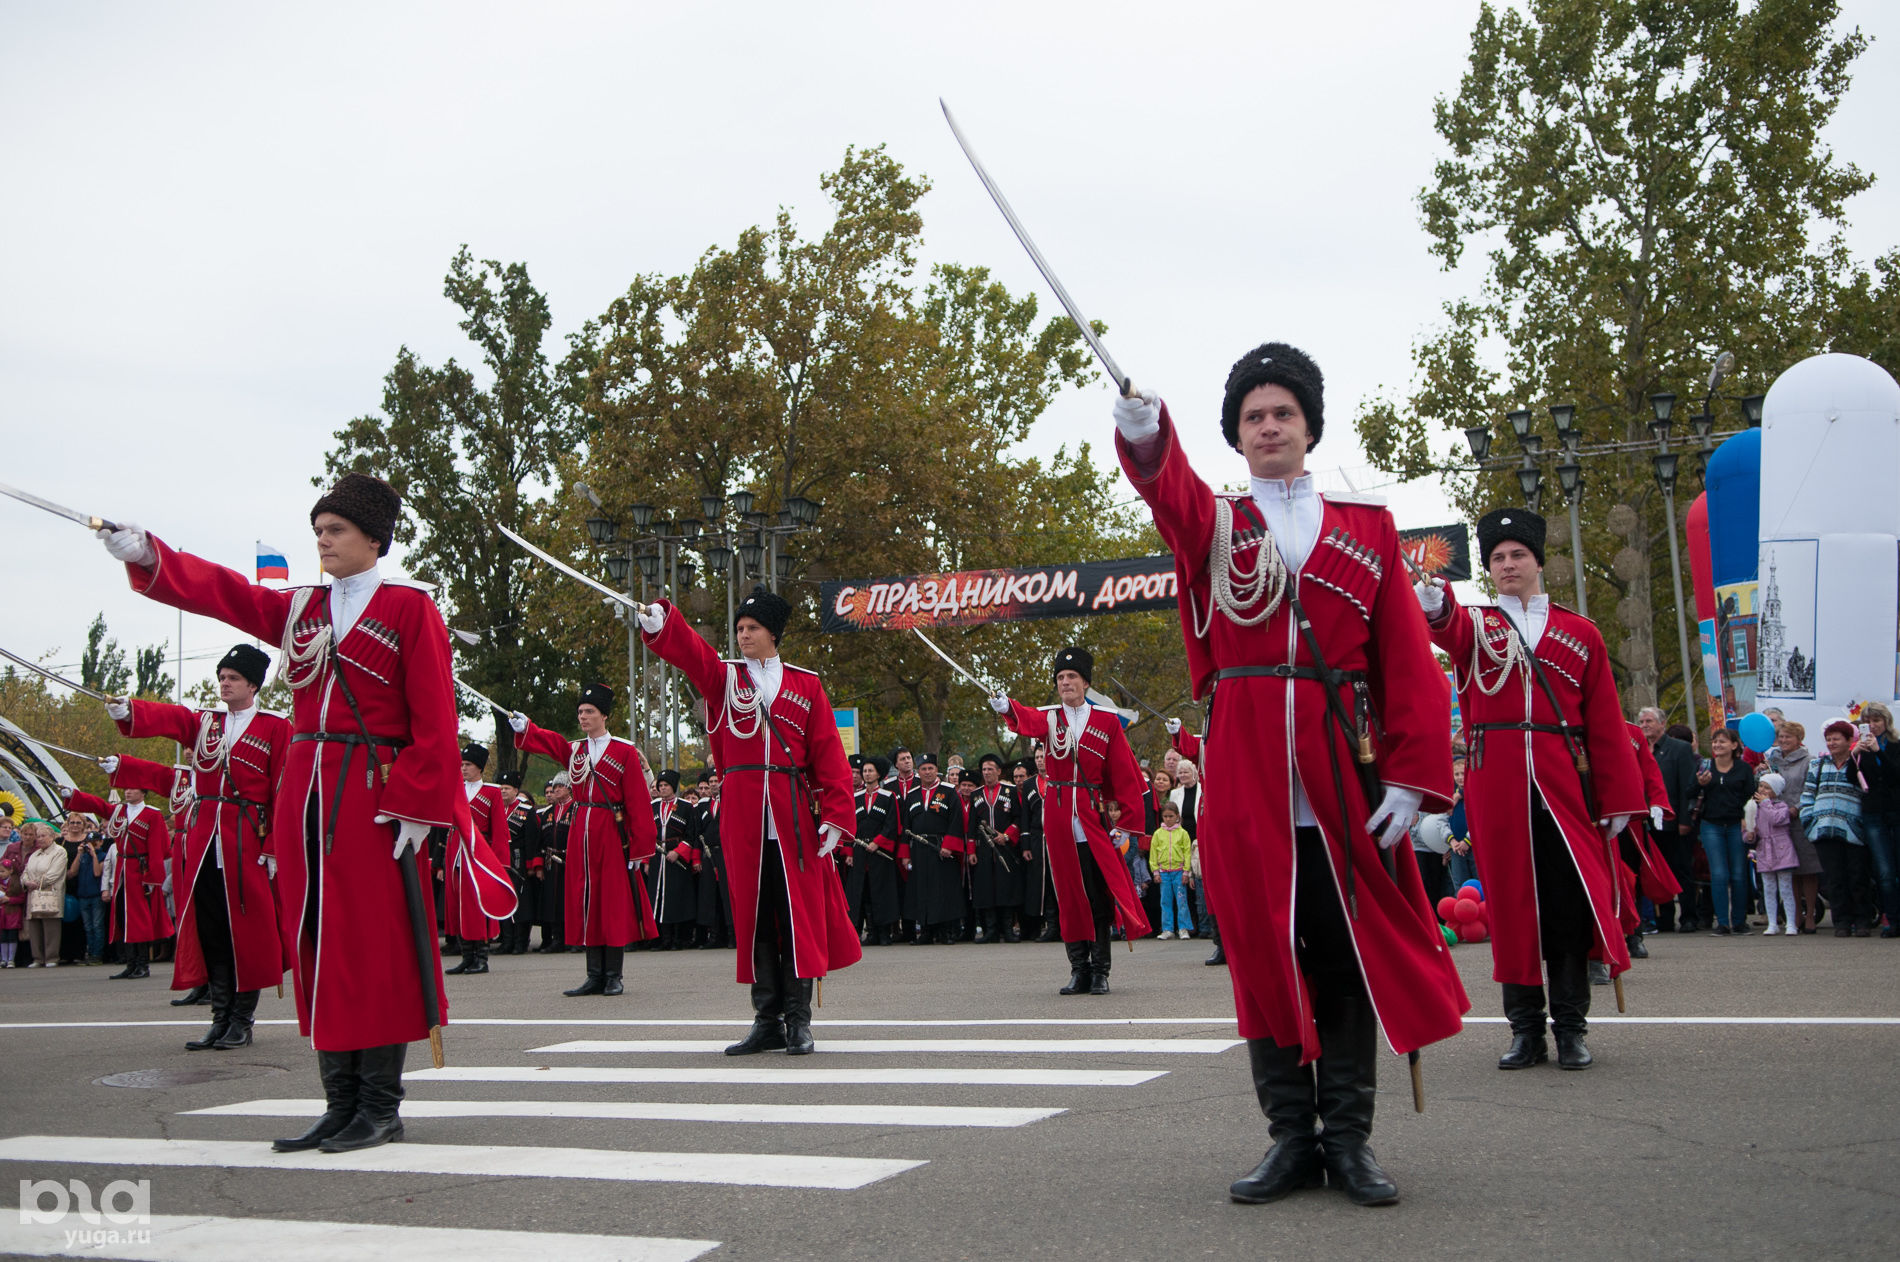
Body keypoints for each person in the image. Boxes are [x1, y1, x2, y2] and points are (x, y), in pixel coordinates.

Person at [1117, 344, 1463, 1206]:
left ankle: (1349, 1140)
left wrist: (1413, 779)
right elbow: (1172, 494)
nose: (1268, 427)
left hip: (1343, 776)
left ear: (1309, 425)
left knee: (1347, 959)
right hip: (1245, 777)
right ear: (1235, 437)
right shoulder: (1217, 521)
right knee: (1266, 957)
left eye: (1283, 414)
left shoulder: (1368, 525)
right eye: (1251, 418)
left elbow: (1402, 661)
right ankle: (1288, 1139)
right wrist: (1146, 436)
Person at [100, 472, 458, 1153]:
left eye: (336, 530)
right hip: (304, 795)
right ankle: (339, 1102)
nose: (322, 541)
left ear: (374, 538)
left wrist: (415, 804)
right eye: (318, 531)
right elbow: (228, 594)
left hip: (371, 796)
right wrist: (153, 556)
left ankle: (381, 1106)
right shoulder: (302, 609)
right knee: (318, 945)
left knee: (372, 950)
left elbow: (434, 716)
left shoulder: (411, 608)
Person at [1419, 506, 1640, 1073]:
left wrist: (1617, 801)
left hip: (1562, 786)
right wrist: (1434, 598)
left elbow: (1608, 727)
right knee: (1513, 911)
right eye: (1497, 558)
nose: (1508, 564)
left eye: (1518, 554)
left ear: (1538, 561)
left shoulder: (1580, 632)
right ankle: (1524, 1030)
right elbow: (1446, 626)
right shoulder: (1479, 624)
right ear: (1488, 569)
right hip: (1497, 786)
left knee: (1566, 908)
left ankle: (1570, 1028)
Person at [638, 585, 861, 1056]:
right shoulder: (725, 678)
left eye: (752, 628)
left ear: (773, 633)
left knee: (796, 919)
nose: (743, 636)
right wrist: (663, 624)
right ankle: (767, 1019)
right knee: (753, 919)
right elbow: (693, 656)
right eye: (739, 628)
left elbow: (828, 755)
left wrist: (838, 817)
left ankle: (799, 1020)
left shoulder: (806, 684)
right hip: (742, 816)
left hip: (793, 816)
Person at [109, 644, 289, 1027]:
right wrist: (132, 711)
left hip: (247, 840)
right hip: (206, 838)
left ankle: (242, 1020)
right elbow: (174, 720)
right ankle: (219, 1017)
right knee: (210, 928)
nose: (224, 684)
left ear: (253, 685)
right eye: (222, 677)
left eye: (233, 678)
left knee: (248, 932)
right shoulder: (207, 722)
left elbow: (283, 791)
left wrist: (273, 847)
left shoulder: (276, 727)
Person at [991, 646, 1151, 998]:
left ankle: (1100, 971)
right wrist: (1007, 707)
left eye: (1072, 677)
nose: (1065, 683)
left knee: (1097, 896)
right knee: (1068, 896)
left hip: (1092, 817)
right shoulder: (1050, 719)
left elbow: (1124, 775)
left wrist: (1123, 823)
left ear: (1085, 682)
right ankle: (1078, 969)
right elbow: (1027, 719)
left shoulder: (1107, 721)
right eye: (1061, 678)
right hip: (1061, 818)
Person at [510, 685, 660, 994]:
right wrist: (527, 728)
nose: (583, 717)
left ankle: (613, 975)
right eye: (580, 712)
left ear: (604, 715)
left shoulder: (624, 751)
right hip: (581, 832)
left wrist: (640, 846)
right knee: (585, 899)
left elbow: (637, 800)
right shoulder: (576, 750)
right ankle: (594, 974)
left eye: (589, 711)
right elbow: (550, 743)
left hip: (610, 829)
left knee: (611, 901)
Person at [60, 780, 173, 978]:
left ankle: (142, 964)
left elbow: (157, 848)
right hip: (123, 868)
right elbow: (98, 805)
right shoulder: (120, 812)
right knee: (122, 915)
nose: (127, 791)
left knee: (140, 920)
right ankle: (130, 963)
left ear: (143, 792)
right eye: (126, 788)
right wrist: (73, 796)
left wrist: (153, 877)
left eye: (132, 788)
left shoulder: (152, 814)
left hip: (140, 868)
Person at [443, 744, 515, 976]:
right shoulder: (454, 789)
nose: (463, 768)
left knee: (476, 906)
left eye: (468, 765)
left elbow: (501, 832)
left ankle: (481, 957)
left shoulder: (492, 792)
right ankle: (466, 955)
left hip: (479, 854)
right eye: (462, 764)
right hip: (455, 851)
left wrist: (500, 865)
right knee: (457, 905)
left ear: (479, 768)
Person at [1800, 720, 1871, 936]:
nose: (1831, 743)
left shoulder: (1860, 762)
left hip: (1854, 830)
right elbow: (1808, 795)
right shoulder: (1818, 765)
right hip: (1824, 829)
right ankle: (1841, 922)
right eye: (1828, 739)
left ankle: (1862, 921)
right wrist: (1810, 823)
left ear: (1850, 740)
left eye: (1836, 739)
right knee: (1834, 878)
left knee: (1858, 876)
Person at [1620, 719, 1684, 955]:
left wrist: (1657, 802)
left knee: (1632, 879)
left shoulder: (1632, 732)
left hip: (1629, 820)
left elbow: (1650, 771)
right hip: (1595, 817)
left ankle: (1634, 935)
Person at [1637, 706, 1703, 932]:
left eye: (1649, 721)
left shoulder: (1679, 749)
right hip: (1646, 822)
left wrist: (1685, 820)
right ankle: (1664, 918)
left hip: (1673, 820)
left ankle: (1688, 917)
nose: (1645, 725)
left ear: (1662, 723)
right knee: (1656, 871)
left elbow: (1686, 786)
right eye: (1642, 721)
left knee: (1682, 869)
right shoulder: (1637, 749)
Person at [1695, 727, 1757, 935]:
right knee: (1719, 874)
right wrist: (1699, 784)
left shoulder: (1744, 769)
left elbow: (1750, 797)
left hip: (1735, 825)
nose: (1717, 745)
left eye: (1722, 741)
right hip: (1711, 824)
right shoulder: (1705, 766)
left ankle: (1739, 921)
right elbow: (1689, 792)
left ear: (1734, 745)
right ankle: (1722, 922)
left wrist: (1745, 820)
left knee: (1739, 874)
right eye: (1714, 742)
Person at [1764, 721, 1824, 933]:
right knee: (1789, 869)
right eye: (1781, 737)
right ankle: (1794, 913)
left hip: (1801, 818)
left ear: (1799, 739)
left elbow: (1812, 787)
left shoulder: (1809, 761)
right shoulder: (1772, 760)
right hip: (1778, 821)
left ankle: (1810, 916)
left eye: (1788, 737)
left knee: (1807, 868)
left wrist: (1798, 808)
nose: (1783, 741)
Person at [900, 754, 966, 945]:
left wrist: (949, 846)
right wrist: (905, 854)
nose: (927, 772)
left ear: (936, 770)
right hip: (919, 851)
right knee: (921, 890)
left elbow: (957, 821)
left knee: (943, 890)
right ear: (918, 771)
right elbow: (905, 827)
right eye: (924, 769)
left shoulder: (949, 792)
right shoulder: (912, 795)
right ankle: (926, 931)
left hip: (941, 848)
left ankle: (945, 932)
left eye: (930, 768)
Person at [1851, 703, 1900, 938]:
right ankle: (1893, 919)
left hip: (1896, 811)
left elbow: (1895, 775)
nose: (1873, 725)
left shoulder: (1896, 745)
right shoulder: (1862, 749)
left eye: (1877, 720)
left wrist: (1878, 752)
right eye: (1868, 721)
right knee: (1884, 871)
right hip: (1873, 814)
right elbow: (1854, 779)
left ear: (1886, 722)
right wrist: (1857, 754)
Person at [966, 753, 1024, 944]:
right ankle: (990, 930)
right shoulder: (976, 795)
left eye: (991, 769)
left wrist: (1006, 835)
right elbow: (972, 825)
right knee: (986, 888)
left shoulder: (1011, 791)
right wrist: (972, 850)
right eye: (984, 769)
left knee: (1006, 887)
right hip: (984, 850)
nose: (987, 772)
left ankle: (1007, 929)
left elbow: (1019, 818)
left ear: (999, 771)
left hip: (1005, 847)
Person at [849, 757, 902, 945]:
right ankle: (870, 932)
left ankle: (884, 933)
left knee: (881, 892)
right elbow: (850, 826)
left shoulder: (888, 797)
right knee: (863, 892)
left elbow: (892, 825)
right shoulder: (855, 798)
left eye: (870, 771)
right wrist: (849, 853)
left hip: (880, 853)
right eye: (864, 771)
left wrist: (878, 842)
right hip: (860, 852)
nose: (867, 774)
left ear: (878, 774)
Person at [649, 770, 700, 950]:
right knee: (657, 898)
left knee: (676, 898)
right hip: (657, 857)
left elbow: (692, 833)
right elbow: (647, 834)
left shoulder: (686, 807)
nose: (662, 789)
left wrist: (678, 852)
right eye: (660, 786)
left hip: (675, 857)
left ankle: (679, 939)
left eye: (666, 786)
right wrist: (647, 861)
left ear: (673, 787)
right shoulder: (653, 806)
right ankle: (663, 938)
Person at [1745, 773, 1800, 935]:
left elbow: (1777, 819)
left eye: (1767, 787)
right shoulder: (1754, 807)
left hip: (1782, 849)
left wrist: (1766, 803)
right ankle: (1772, 922)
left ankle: (1791, 923)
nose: (1762, 790)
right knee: (1768, 889)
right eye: (1761, 786)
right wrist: (1749, 835)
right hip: (1764, 850)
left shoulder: (1781, 806)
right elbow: (1750, 827)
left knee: (1786, 888)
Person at [496, 773, 541, 955]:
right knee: (502, 901)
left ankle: (521, 941)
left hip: (519, 862)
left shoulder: (526, 811)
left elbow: (533, 840)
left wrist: (531, 865)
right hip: (500, 862)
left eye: (507, 788)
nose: (503, 791)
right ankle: (506, 941)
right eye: (501, 788)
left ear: (516, 790)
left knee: (521, 904)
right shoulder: (496, 809)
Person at [1013, 756, 1055, 943]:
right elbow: (1025, 816)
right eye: (1037, 757)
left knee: (1057, 882)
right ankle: (1047, 925)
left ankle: (1061, 925)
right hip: (1037, 837)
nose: (1040, 760)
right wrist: (1026, 844)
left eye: (1043, 756)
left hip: (1057, 836)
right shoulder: (1030, 784)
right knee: (1041, 883)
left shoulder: (1059, 779)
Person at [693, 770, 733, 949]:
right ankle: (714, 936)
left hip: (727, 854)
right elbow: (696, 833)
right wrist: (696, 859)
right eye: (711, 781)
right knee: (710, 897)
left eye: (717, 781)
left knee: (728, 895)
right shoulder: (702, 807)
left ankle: (732, 936)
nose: (714, 784)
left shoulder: (731, 802)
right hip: (708, 855)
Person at [21, 820, 69, 967]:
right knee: (34, 926)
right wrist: (26, 882)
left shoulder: (59, 852)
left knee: (51, 925)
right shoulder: (35, 854)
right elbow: (25, 872)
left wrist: (37, 883)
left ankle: (51, 957)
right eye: (38, 836)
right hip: (33, 894)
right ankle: (37, 958)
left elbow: (54, 874)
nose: (39, 839)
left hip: (50, 893)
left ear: (52, 836)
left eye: (43, 836)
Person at [536, 775, 573, 951]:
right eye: (554, 787)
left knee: (570, 900)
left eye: (560, 786)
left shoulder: (576, 809)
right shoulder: (548, 813)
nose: (556, 790)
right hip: (552, 862)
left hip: (570, 862)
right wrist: (538, 866)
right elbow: (539, 841)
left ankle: (573, 939)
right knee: (553, 901)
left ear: (569, 788)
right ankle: (557, 938)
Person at [1150, 802, 1194, 940]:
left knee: (1181, 900)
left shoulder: (1183, 833)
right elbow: (1153, 854)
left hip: (1179, 871)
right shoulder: (1158, 834)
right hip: (1163, 872)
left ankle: (1183, 928)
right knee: (1165, 901)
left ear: (1177, 816)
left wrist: (1186, 872)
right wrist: (1155, 871)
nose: (1168, 819)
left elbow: (1187, 853)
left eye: (1171, 816)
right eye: (1165, 816)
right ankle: (1167, 929)